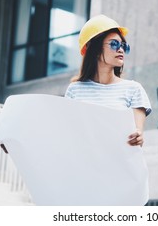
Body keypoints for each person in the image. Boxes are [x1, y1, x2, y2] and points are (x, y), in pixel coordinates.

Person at [64, 14, 151, 146]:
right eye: (114, 44)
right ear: (95, 50)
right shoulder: (74, 90)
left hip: (119, 163)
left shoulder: (134, 90)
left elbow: (137, 136)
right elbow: (68, 133)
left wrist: (138, 137)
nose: (120, 49)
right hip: (84, 163)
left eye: (123, 45)